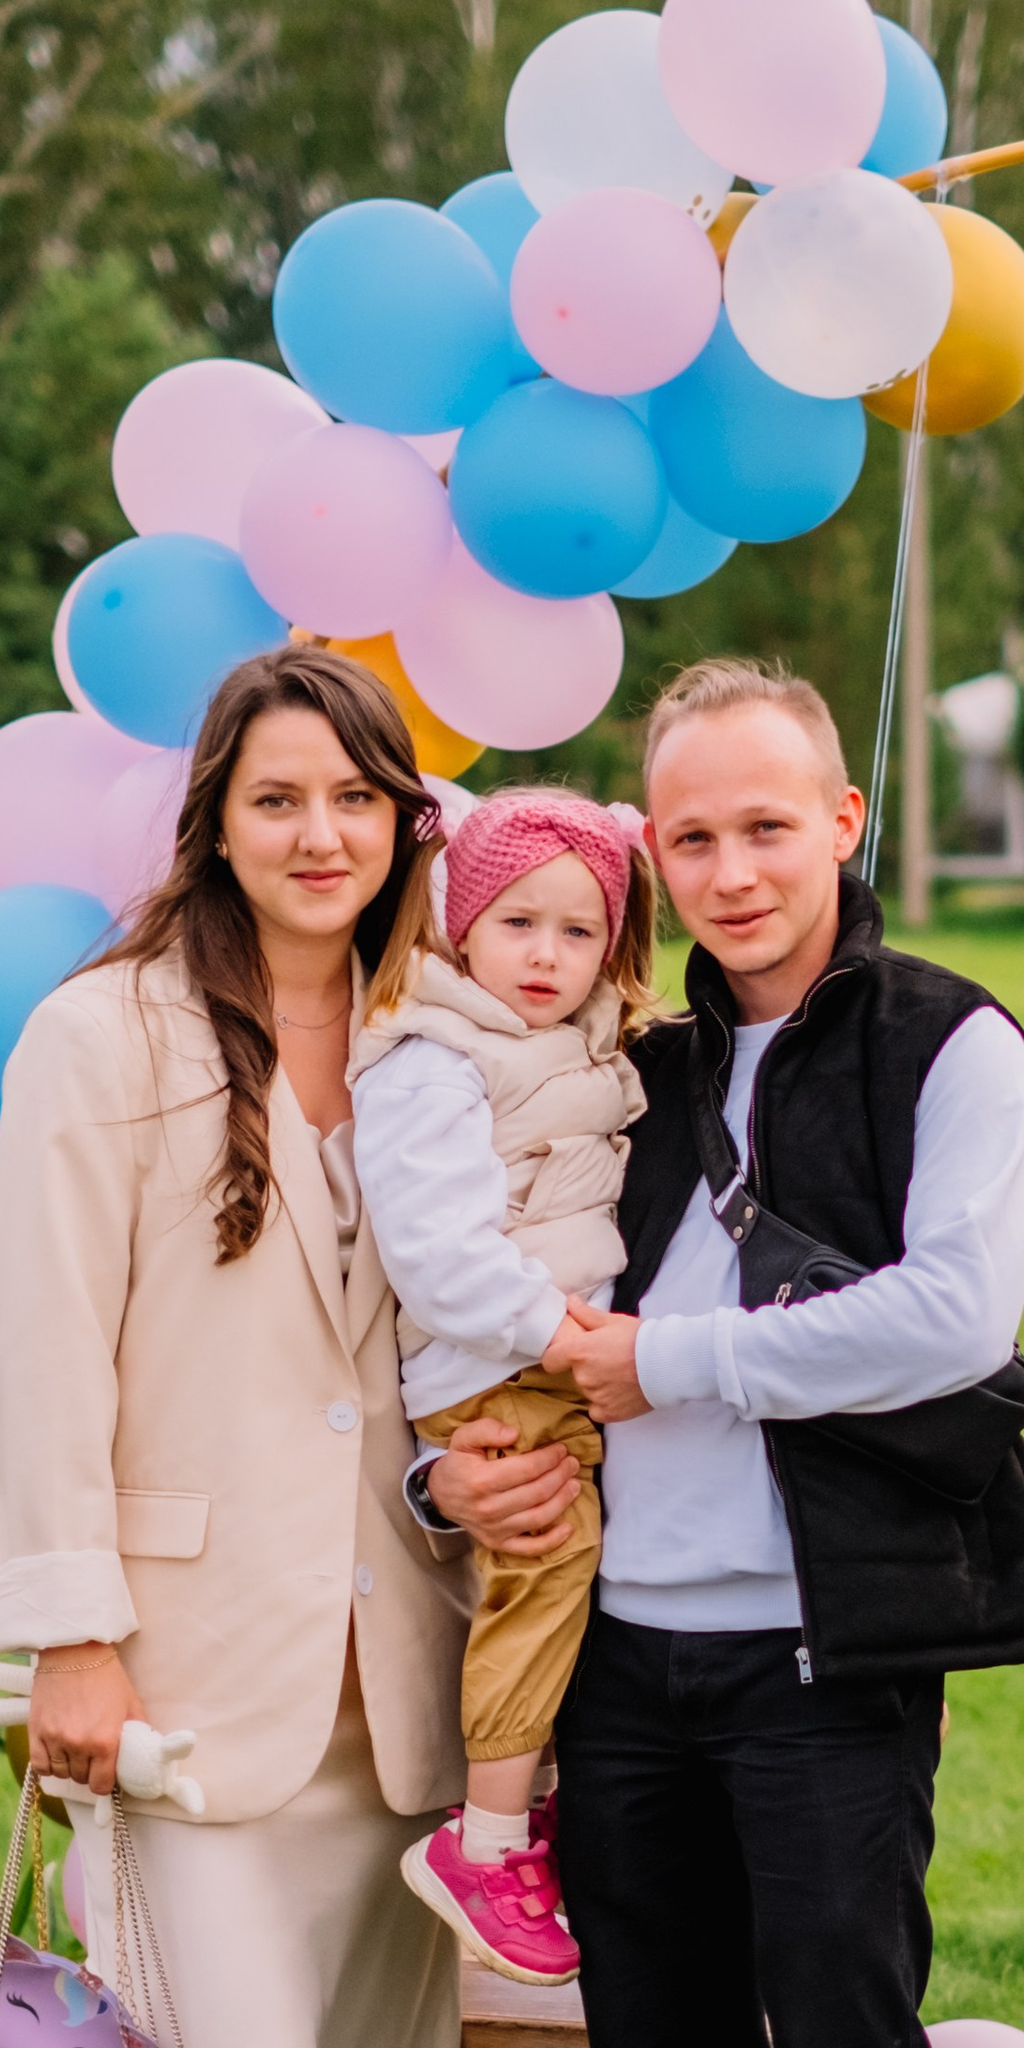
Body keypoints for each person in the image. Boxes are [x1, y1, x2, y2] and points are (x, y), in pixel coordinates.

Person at [444, 656, 1024, 2048]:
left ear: (843, 825)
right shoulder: (617, 1074)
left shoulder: (945, 1046)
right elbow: (494, 1305)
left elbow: (949, 1321)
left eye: (762, 827)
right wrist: (441, 1476)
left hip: (825, 1656)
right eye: (689, 834)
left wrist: (671, 1365)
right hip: (620, 1664)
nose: (727, 869)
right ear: (652, 849)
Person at [0, 642, 473, 2048]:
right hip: (182, 1672)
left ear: (400, 821)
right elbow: (44, 1358)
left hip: (392, 1668)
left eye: (357, 797)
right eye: (280, 797)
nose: (321, 832)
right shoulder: (104, 1039)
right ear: (215, 820)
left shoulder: (434, 1030)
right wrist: (75, 1633)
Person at [348, 787, 655, 1987]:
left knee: (591, 1576)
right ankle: (486, 1841)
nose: (547, 954)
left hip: (553, 1349)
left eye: (579, 933)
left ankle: (555, 1802)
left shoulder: (574, 1043)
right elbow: (437, 1252)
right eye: (517, 922)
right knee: (546, 1565)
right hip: (500, 1363)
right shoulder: (433, 1061)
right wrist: (561, 1334)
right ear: (458, 926)